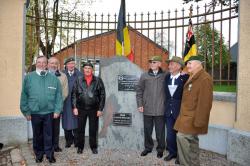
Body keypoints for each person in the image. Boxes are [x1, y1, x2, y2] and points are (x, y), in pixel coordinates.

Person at [20, 56, 63, 163]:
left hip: (49, 113)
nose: (41, 64)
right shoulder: (29, 78)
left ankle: (49, 154)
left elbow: (58, 95)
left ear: (47, 64)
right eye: (39, 62)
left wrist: (57, 110)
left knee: (49, 135)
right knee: (37, 135)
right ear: (36, 63)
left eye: (44, 62)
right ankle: (38, 154)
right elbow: (24, 95)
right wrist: (26, 111)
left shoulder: (54, 79)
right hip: (34, 112)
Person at [174, 55, 213, 166]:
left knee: (181, 137)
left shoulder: (205, 78)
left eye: (190, 63)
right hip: (186, 117)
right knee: (193, 141)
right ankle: (194, 163)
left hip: (193, 119)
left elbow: (205, 103)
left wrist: (199, 122)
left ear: (199, 64)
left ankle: (186, 163)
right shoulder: (193, 75)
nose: (187, 66)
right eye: (187, 64)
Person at [136, 55, 166, 158]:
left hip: (160, 109)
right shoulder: (144, 75)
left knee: (160, 132)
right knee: (147, 130)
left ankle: (160, 149)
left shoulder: (165, 75)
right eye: (150, 62)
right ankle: (148, 148)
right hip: (147, 108)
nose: (151, 64)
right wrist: (140, 104)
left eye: (154, 62)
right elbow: (139, 90)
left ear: (159, 64)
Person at [72, 62, 106, 154]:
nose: (87, 70)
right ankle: (80, 147)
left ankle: (93, 146)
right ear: (83, 69)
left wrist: (100, 108)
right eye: (86, 68)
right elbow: (74, 94)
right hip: (81, 109)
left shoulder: (98, 80)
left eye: (89, 68)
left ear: (92, 70)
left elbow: (102, 95)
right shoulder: (78, 80)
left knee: (93, 129)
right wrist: (74, 107)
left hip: (94, 109)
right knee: (80, 129)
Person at [163, 56, 189, 163]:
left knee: (180, 135)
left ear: (179, 66)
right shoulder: (166, 78)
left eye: (171, 64)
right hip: (169, 111)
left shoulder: (185, 79)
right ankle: (172, 153)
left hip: (180, 111)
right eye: (169, 64)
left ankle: (180, 156)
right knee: (170, 135)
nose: (169, 66)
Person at [48, 57, 69, 152]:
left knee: (56, 128)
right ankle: (46, 146)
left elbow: (65, 93)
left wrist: (58, 104)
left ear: (58, 65)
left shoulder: (63, 76)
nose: (53, 65)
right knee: (45, 128)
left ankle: (55, 146)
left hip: (57, 107)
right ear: (48, 64)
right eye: (51, 63)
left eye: (55, 63)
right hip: (45, 107)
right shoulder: (43, 74)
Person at [62, 57, 82, 148]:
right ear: (66, 65)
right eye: (69, 63)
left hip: (77, 102)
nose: (71, 65)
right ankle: (68, 140)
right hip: (65, 102)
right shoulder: (62, 74)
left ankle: (77, 140)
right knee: (66, 121)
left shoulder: (80, 74)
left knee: (77, 121)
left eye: (73, 63)